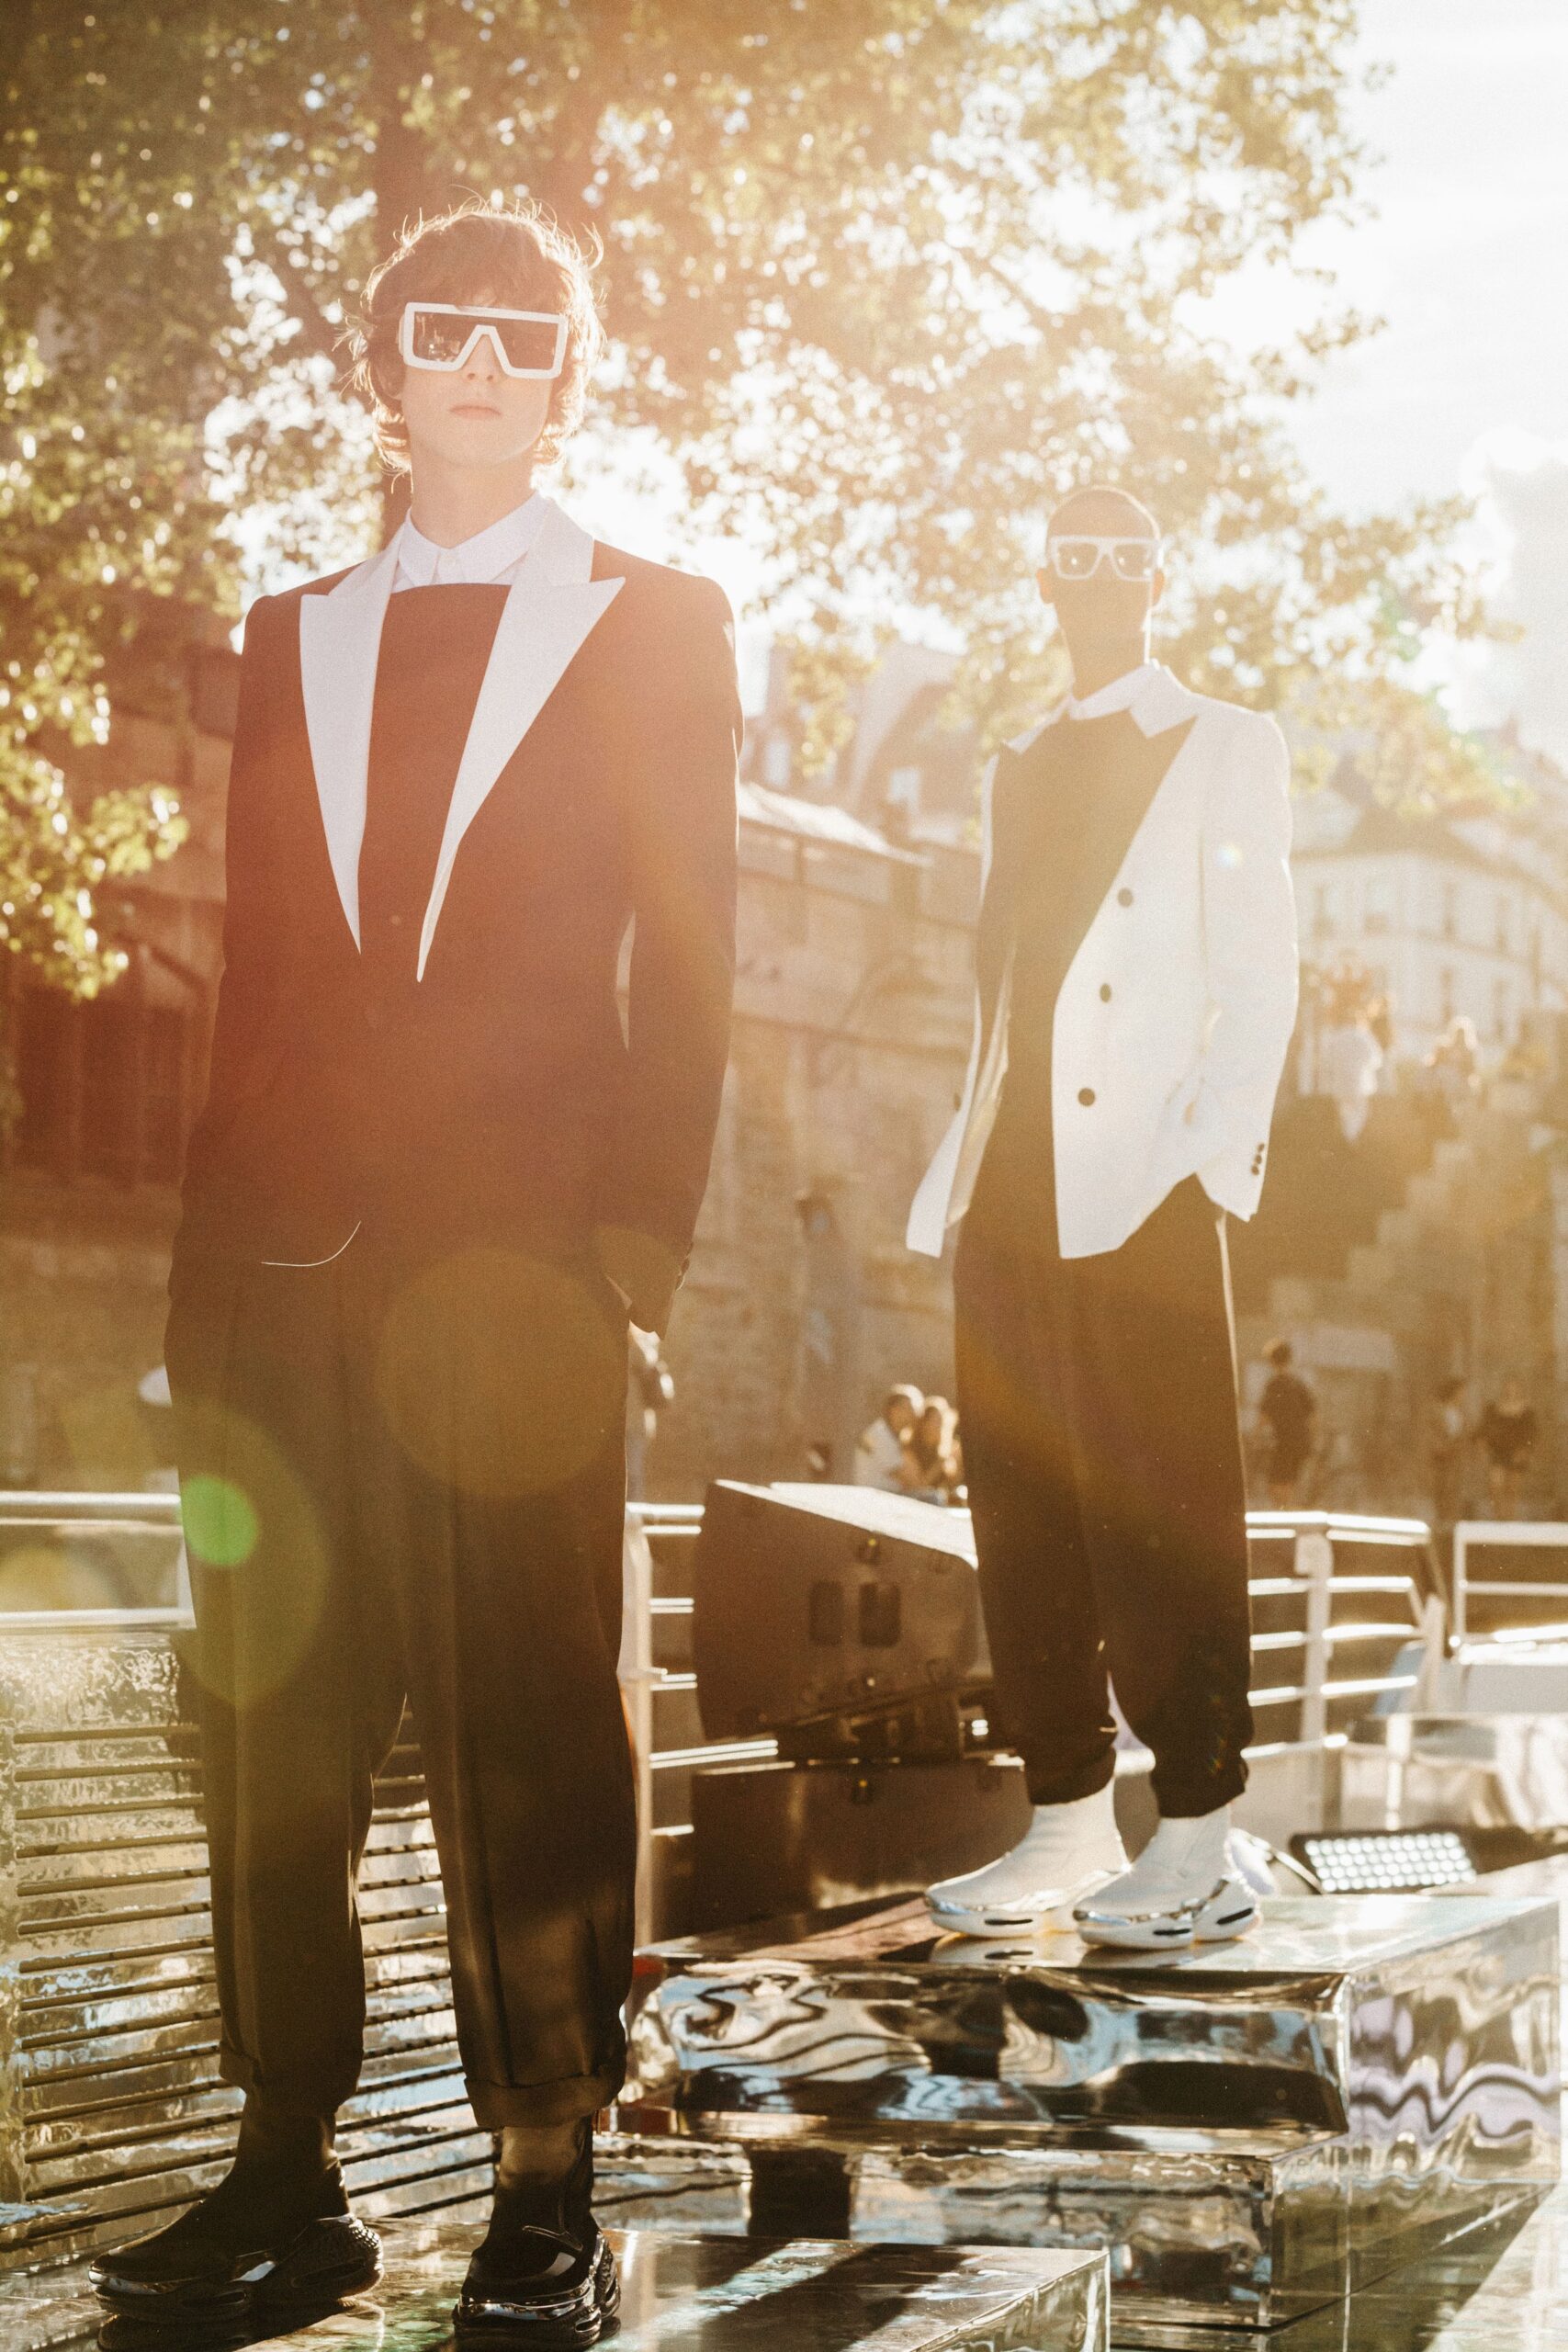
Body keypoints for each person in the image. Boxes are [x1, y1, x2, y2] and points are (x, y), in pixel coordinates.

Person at [91, 199, 741, 2345]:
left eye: (519, 331)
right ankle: (286, 2161)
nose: (475, 356)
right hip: (283, 1267)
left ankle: (541, 2164)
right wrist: (199, 1302)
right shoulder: (289, 632)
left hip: (527, 1283)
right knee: (268, 1716)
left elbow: (692, 966)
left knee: (532, 1720)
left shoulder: (657, 621)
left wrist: (630, 1260)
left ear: (568, 375)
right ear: (382, 370)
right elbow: (258, 982)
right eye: (434, 325)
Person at [908, 484, 1297, 1951]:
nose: (1090, 579)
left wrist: (1204, 1164)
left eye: (1118, 557)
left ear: (1155, 579)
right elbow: (1006, 978)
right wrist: (968, 1166)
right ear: (1042, 579)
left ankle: (1196, 1831)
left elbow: (1260, 967)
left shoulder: (1222, 741)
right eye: (1065, 556)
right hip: (1007, 1176)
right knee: (1019, 1506)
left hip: (1142, 1178)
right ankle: (1064, 1817)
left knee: (1163, 1506)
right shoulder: (1018, 761)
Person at [1257, 1340, 1316, 1508]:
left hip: (1284, 1442)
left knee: (1275, 1483)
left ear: (1271, 1361)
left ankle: (1284, 1515)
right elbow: (1313, 1416)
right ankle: (1287, 1512)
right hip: (1301, 1441)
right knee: (1289, 1482)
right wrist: (1311, 1439)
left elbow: (1264, 1416)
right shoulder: (1299, 1384)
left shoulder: (1273, 1384)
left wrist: (1256, 1437)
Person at [626, 1327, 675, 1503]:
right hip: (621, 1420)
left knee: (633, 1471)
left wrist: (633, 1339)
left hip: (634, 1420)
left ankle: (632, 1513)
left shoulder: (644, 1337)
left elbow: (646, 1362)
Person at [1478, 1377, 1538, 1521]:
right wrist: (1483, 1449)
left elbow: (1532, 1434)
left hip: (1517, 1453)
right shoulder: (1493, 1408)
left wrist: (1526, 1451)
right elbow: (1483, 1430)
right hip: (1497, 1452)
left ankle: (1510, 1518)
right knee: (1495, 1485)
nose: (1511, 1390)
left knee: (1513, 1487)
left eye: (1514, 1387)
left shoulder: (1526, 1411)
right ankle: (1498, 1517)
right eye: (1508, 1387)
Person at [854, 1385, 924, 1489]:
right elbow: (911, 1481)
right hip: (874, 1500)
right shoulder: (879, 1434)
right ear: (894, 1409)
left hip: (886, 1497)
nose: (915, 1415)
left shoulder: (893, 1435)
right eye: (910, 1408)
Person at [1425, 1374, 1468, 1530]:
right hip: (1440, 1453)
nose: (1463, 1396)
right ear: (1454, 1392)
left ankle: (1449, 1520)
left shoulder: (1461, 1412)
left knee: (1452, 1486)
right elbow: (1431, 1431)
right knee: (1440, 1486)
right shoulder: (1438, 1409)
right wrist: (1439, 1445)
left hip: (1454, 1454)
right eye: (1461, 1392)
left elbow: (1462, 1434)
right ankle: (1440, 1519)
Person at [903, 1396, 963, 1502]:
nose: (935, 1426)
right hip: (917, 1501)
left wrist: (956, 1464)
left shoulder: (949, 1447)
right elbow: (919, 1486)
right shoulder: (910, 1448)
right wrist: (940, 1463)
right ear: (923, 1422)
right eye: (932, 1421)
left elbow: (953, 1485)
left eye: (939, 1421)